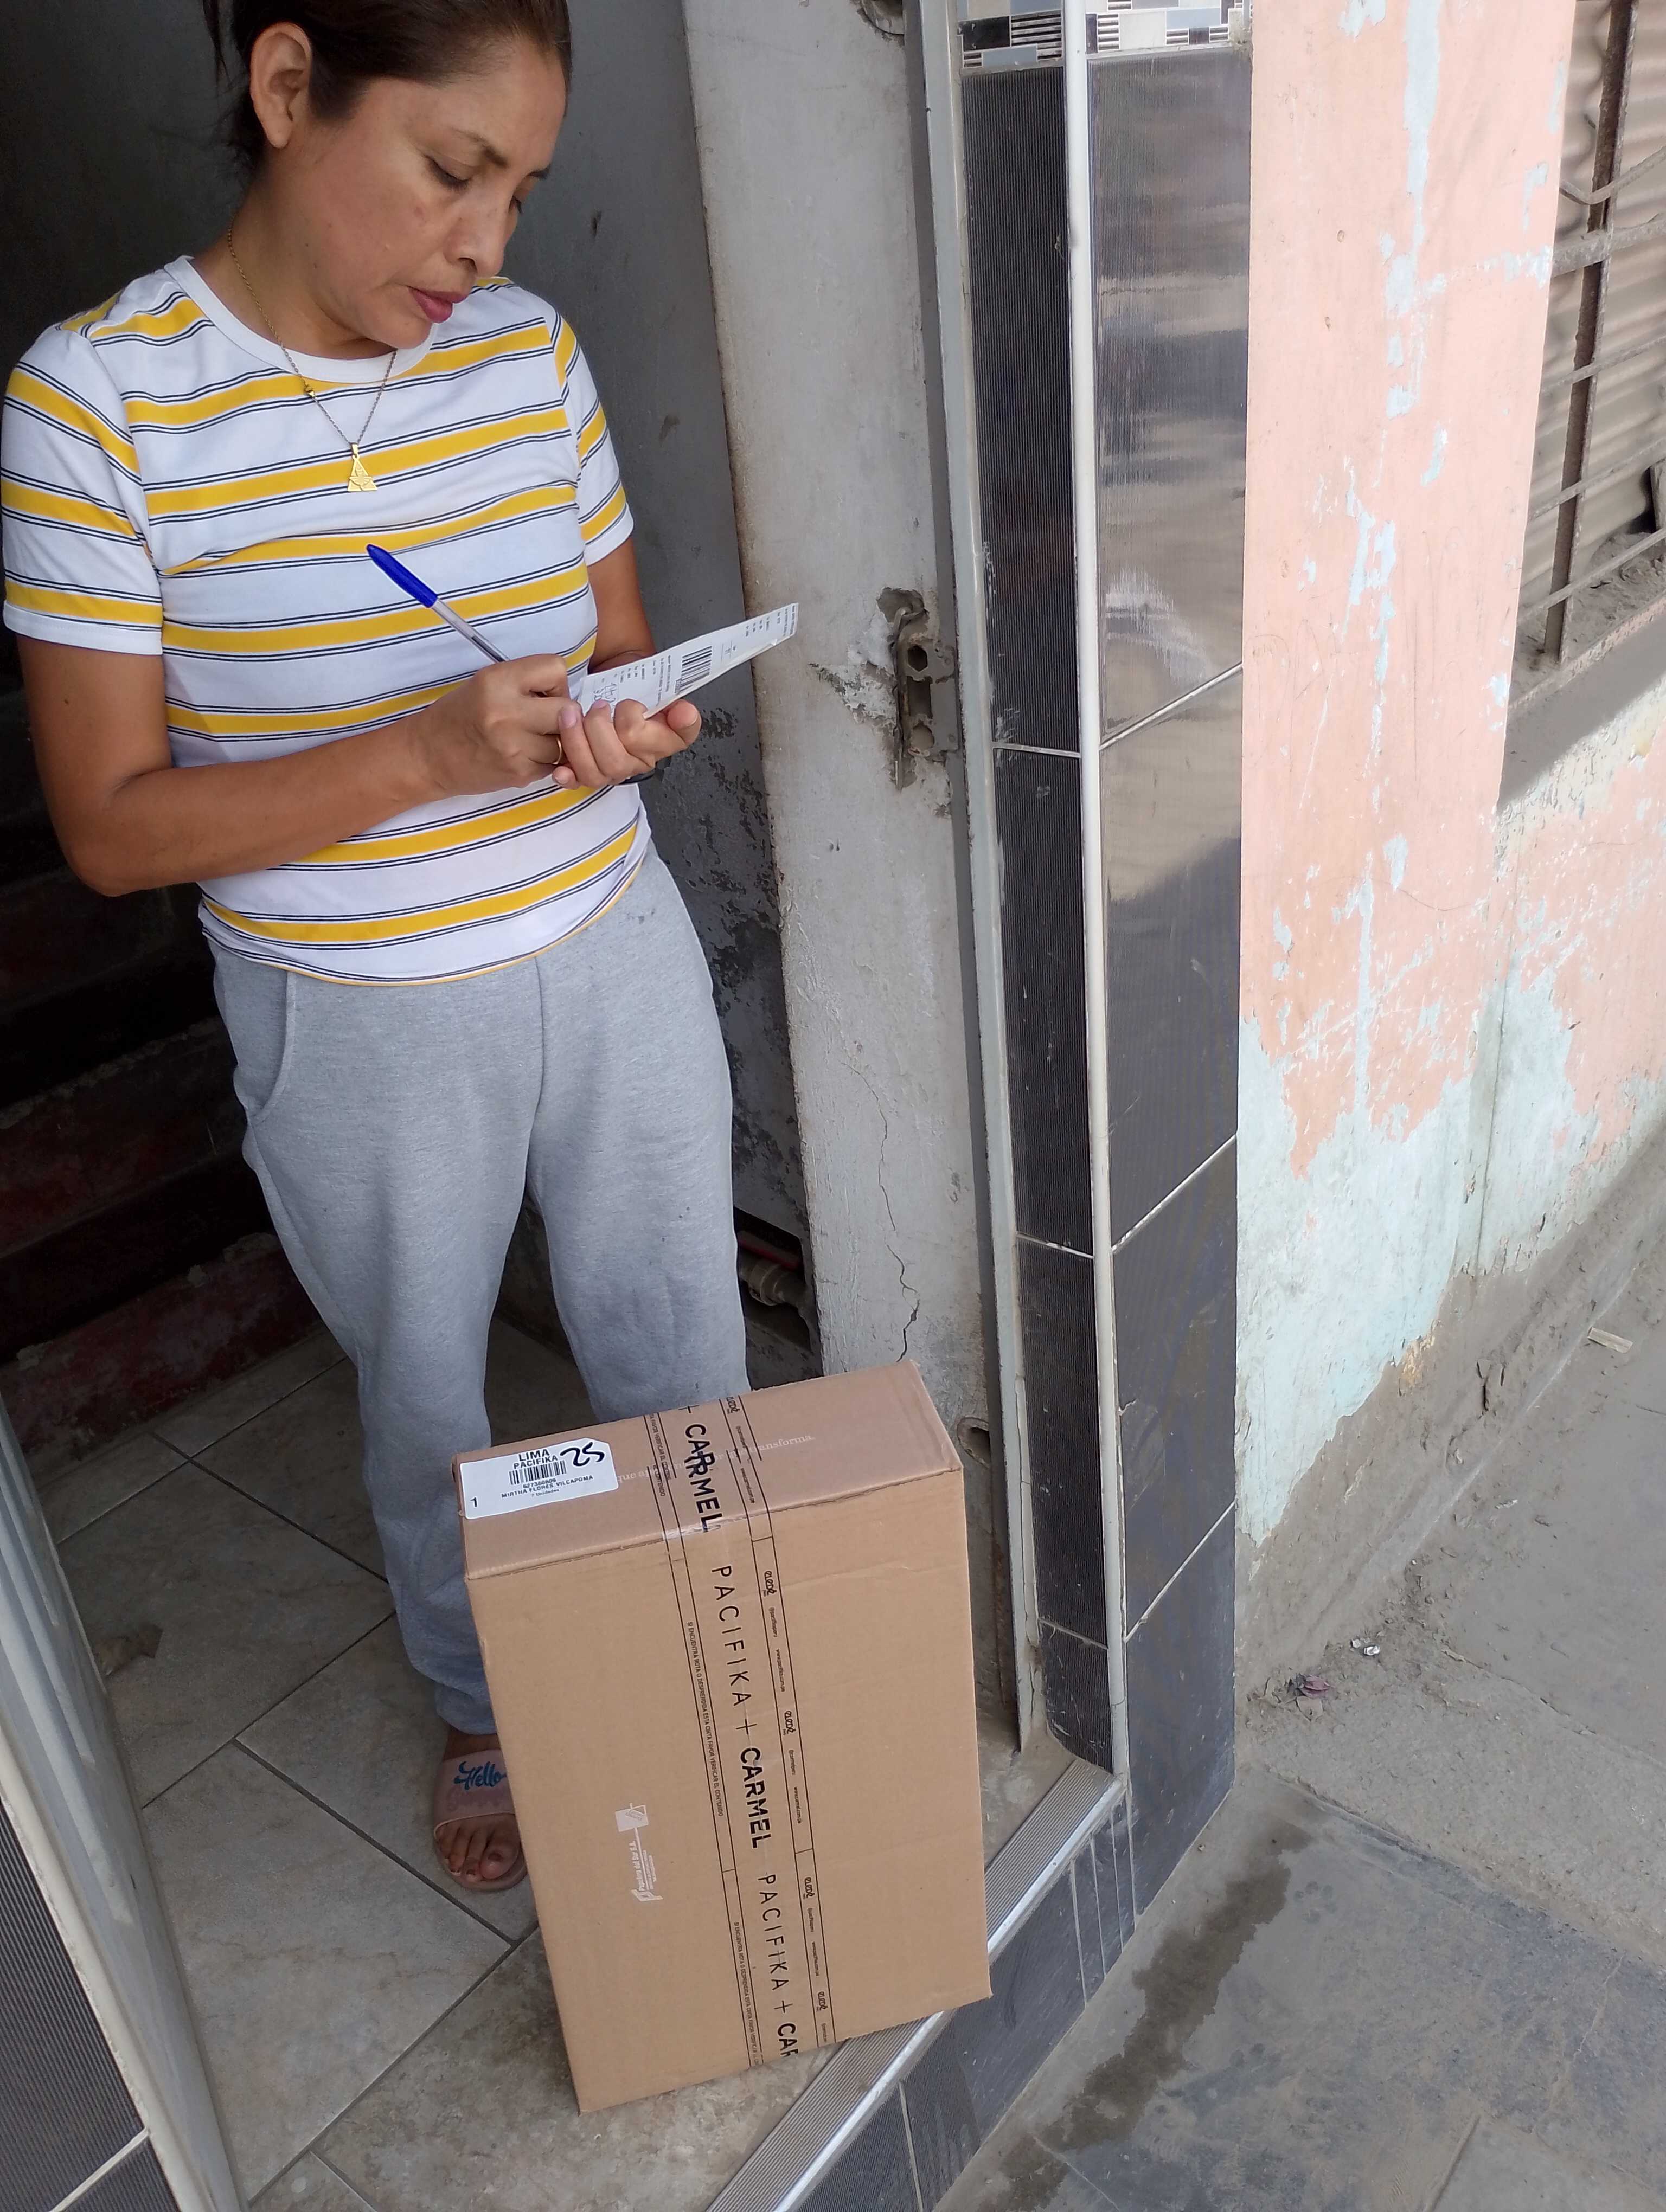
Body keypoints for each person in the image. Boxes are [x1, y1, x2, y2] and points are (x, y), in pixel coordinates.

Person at [1, 0, 749, 1894]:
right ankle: (486, 1699)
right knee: (430, 1398)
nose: (485, 243)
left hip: (610, 938)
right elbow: (110, 828)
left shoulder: (529, 356)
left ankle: (718, 1657)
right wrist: (421, 752)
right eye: (451, 170)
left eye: (522, 190)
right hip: (355, 1011)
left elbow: (616, 645)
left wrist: (629, 716)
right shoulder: (98, 405)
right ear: (286, 89)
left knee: (681, 1340)